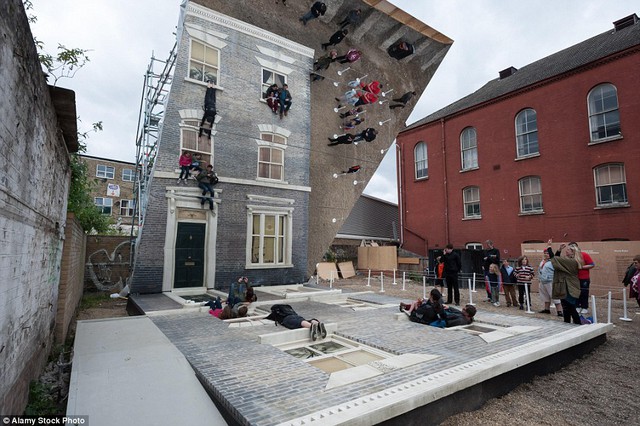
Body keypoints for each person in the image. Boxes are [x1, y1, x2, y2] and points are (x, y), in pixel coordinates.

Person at [550, 244, 582, 324]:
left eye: (568, 250)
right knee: (566, 307)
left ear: (573, 252)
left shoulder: (572, 261)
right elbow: (557, 261)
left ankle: (577, 324)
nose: (566, 250)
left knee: (570, 307)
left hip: (570, 287)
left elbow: (555, 259)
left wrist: (549, 247)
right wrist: (559, 250)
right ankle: (567, 323)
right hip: (566, 286)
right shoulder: (570, 260)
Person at [568, 242, 595, 314]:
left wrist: (581, 267)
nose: (570, 249)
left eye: (572, 247)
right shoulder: (570, 256)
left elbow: (592, 264)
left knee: (584, 292)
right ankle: (577, 306)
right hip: (574, 278)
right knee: (575, 292)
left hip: (584, 278)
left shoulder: (584, 255)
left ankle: (584, 307)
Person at [539, 244, 563, 316]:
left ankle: (559, 311)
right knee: (545, 296)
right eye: (545, 253)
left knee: (554, 296)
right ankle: (547, 309)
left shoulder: (553, 261)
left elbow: (557, 256)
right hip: (543, 281)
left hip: (550, 280)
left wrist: (559, 249)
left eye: (548, 253)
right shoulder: (542, 262)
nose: (546, 254)